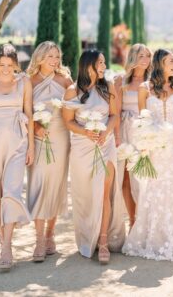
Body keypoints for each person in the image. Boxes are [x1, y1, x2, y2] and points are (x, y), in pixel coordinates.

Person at [123, 49, 173, 261]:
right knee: (155, 187)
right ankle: (154, 238)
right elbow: (142, 120)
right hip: (155, 146)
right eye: (171, 61)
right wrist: (144, 146)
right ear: (160, 64)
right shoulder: (144, 89)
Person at [62, 50, 125, 263]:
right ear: (88, 65)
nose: (103, 66)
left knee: (104, 192)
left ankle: (104, 241)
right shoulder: (72, 91)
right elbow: (68, 122)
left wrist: (106, 132)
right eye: (100, 62)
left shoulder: (108, 86)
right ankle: (89, 234)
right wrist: (86, 132)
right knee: (87, 195)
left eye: (104, 62)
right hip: (82, 147)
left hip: (105, 145)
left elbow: (115, 114)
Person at [0, 44, 34, 271]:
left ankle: (8, 246)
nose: (5, 69)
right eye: (1, 65)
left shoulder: (24, 82)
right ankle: (3, 242)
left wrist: (31, 147)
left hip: (18, 140)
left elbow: (29, 114)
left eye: (9, 65)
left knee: (12, 190)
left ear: (15, 65)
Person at [26, 41, 73, 261]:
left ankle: (50, 234)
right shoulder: (29, 81)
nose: (55, 61)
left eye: (57, 56)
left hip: (60, 137)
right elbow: (22, 111)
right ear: (40, 58)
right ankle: (38, 240)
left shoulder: (65, 80)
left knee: (56, 185)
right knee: (38, 185)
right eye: (50, 56)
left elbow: (75, 108)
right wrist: (35, 126)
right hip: (37, 139)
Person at [115, 44, 151, 227]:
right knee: (126, 178)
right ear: (133, 58)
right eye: (141, 56)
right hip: (125, 131)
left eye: (148, 56)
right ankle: (132, 220)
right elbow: (116, 111)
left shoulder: (153, 81)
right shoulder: (121, 81)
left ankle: (145, 221)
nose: (145, 60)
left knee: (144, 177)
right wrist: (116, 137)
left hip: (145, 133)